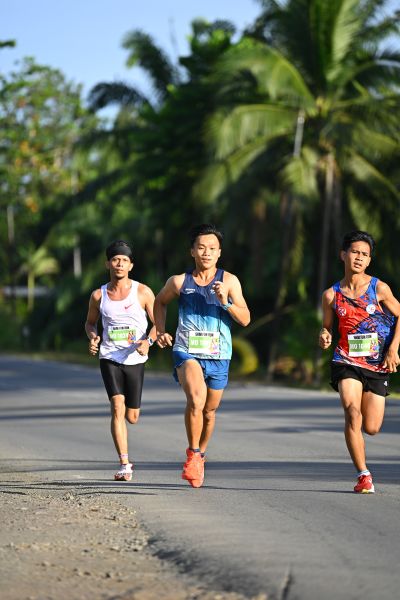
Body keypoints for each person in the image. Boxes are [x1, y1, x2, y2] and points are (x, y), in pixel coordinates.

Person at [154, 224, 250, 488]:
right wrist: (160, 331)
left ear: (219, 253)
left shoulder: (229, 281)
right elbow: (160, 302)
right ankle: (193, 453)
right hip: (186, 350)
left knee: (209, 410)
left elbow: (245, 319)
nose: (206, 252)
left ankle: (201, 455)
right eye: (201, 247)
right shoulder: (178, 282)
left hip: (219, 355)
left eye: (212, 248)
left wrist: (225, 301)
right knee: (196, 400)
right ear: (192, 251)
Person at [319, 230, 400, 493]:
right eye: (355, 252)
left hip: (377, 365)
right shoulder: (331, 295)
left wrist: (393, 349)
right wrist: (324, 334)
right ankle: (364, 475)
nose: (359, 257)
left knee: (372, 427)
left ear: (369, 260)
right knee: (352, 412)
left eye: (365, 254)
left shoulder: (379, 289)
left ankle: (362, 451)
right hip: (346, 360)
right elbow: (327, 327)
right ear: (343, 255)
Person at [85, 240, 157, 482]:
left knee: (132, 416)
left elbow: (158, 323)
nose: (119, 264)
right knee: (117, 406)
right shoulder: (98, 295)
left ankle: (129, 422)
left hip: (135, 358)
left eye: (124, 260)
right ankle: (125, 464)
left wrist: (149, 341)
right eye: (115, 259)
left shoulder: (143, 292)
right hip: (109, 356)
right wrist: (93, 337)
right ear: (108, 264)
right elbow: (90, 323)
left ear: (131, 265)